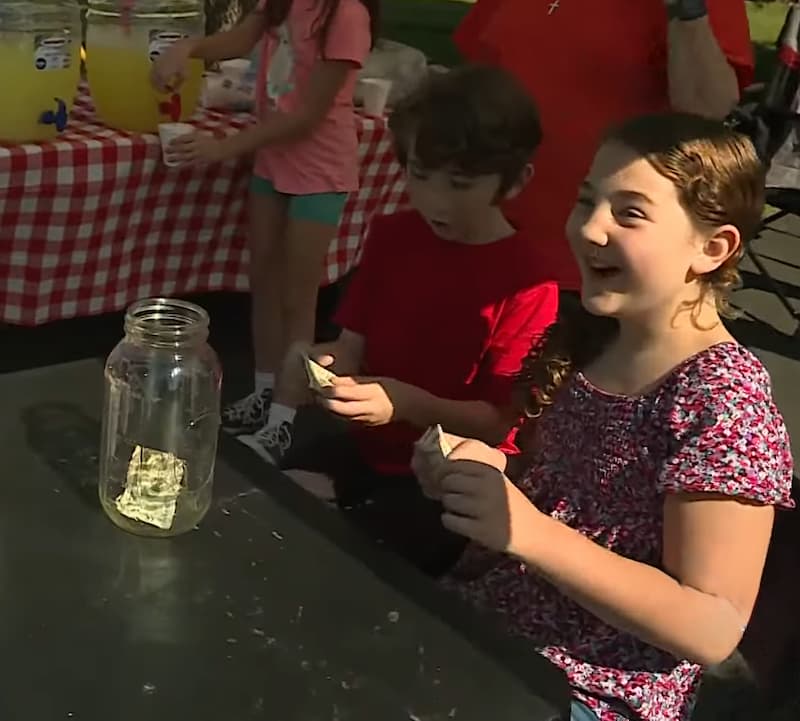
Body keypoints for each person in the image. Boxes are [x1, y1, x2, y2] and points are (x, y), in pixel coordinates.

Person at [413, 114, 794, 719]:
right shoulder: (592, 336)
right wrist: (489, 474)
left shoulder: (722, 398)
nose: (589, 227)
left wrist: (529, 531)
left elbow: (712, 624)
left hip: (586, 695)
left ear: (712, 248)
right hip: (479, 627)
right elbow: (576, 498)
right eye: (588, 200)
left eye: (630, 213)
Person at [239, 65, 559, 576]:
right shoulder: (393, 235)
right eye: (419, 175)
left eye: (460, 183)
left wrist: (405, 403)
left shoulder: (530, 283)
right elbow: (352, 346)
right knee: (260, 509)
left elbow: (502, 422)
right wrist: (320, 363)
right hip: (366, 450)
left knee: (359, 568)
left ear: (516, 181)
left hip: (448, 475)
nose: (435, 199)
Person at [151, 0, 379, 435]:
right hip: (272, 164)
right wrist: (188, 48)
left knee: (297, 296)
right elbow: (240, 37)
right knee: (264, 282)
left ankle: (287, 418)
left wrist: (224, 147)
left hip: (320, 171)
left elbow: (307, 116)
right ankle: (265, 390)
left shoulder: (346, 14)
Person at [453, 0, 754, 301]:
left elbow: (706, 109)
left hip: (598, 263)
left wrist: (685, 9)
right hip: (486, 239)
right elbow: (479, 75)